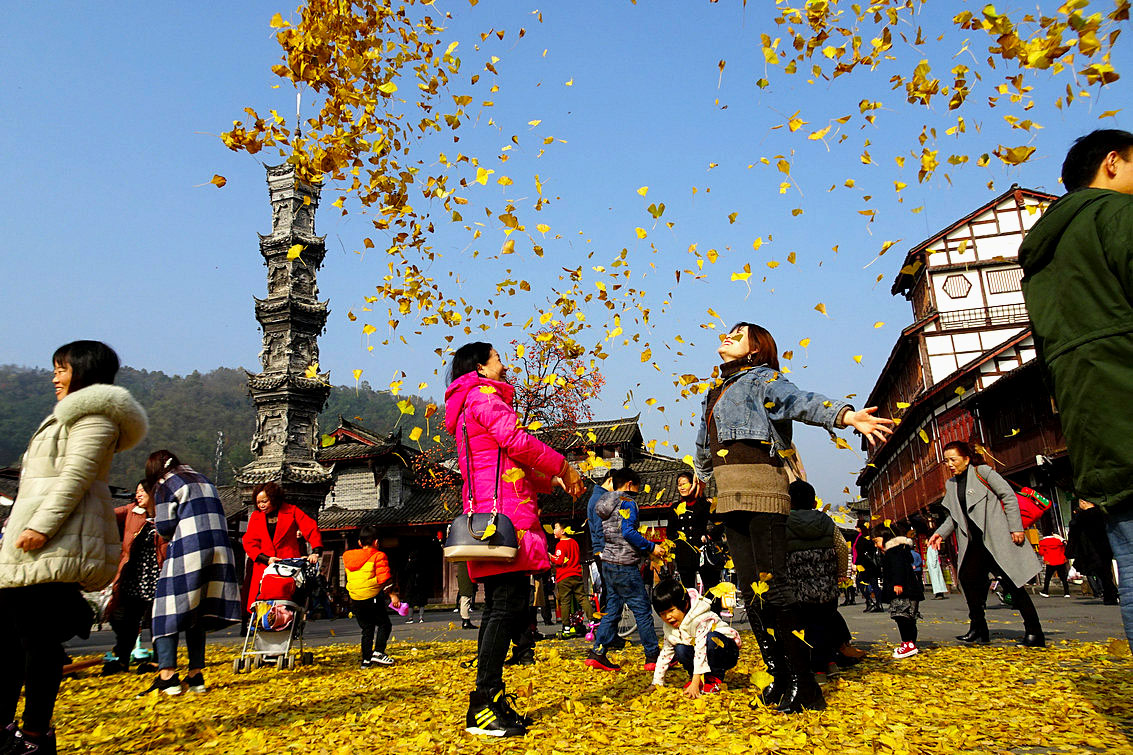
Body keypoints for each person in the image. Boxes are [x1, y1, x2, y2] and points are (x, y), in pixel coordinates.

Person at [690, 322, 893, 713]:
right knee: (750, 590)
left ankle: (805, 683)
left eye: (739, 333)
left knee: (775, 588)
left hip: (763, 490)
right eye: (727, 332)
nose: (728, 336)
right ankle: (778, 673)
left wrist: (847, 416)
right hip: (728, 495)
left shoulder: (765, 380)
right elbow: (704, 442)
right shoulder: (714, 391)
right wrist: (701, 478)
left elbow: (801, 401)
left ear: (756, 348)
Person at [0, 341, 147, 755]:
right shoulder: (67, 417)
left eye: (61, 369)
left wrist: (40, 528)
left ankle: (34, 734)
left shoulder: (96, 417)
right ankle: (14, 729)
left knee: (35, 641)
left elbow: (75, 478)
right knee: (13, 637)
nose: (54, 377)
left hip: (57, 540)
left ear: (82, 371)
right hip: (35, 538)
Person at [1018, 128, 1133, 645]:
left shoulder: (1043, 259)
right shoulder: (1116, 215)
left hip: (1095, 429)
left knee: (1131, 564)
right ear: (1112, 163)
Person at [444, 342, 584, 738]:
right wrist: (563, 466)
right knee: (504, 608)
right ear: (481, 367)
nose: (504, 365)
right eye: (498, 358)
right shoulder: (484, 396)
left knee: (509, 606)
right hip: (503, 521)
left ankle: (490, 696)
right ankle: (483, 703)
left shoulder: (473, 400)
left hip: (500, 513)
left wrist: (550, 479)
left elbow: (507, 461)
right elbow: (516, 441)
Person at [142, 450, 242, 695]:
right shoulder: (203, 478)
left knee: (166, 609)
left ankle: (168, 676)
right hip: (219, 548)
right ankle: (196, 676)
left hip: (190, 547)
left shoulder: (166, 483)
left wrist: (155, 520)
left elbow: (165, 527)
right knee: (196, 610)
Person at [928, 441, 1044, 647]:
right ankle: (979, 629)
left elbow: (1008, 496)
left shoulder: (984, 473)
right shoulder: (952, 484)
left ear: (966, 458)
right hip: (973, 543)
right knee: (967, 581)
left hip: (996, 538)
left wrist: (1015, 527)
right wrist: (940, 534)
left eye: (953, 460)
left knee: (1014, 584)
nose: (950, 464)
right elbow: (954, 517)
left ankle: (1034, 631)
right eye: (947, 461)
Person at [586, 468, 665, 672]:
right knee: (642, 611)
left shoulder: (603, 502)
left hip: (609, 562)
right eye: (636, 490)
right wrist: (651, 546)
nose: (636, 495)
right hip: (625, 564)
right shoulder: (628, 502)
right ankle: (652, 656)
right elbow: (628, 532)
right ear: (629, 484)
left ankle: (598, 652)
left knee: (613, 609)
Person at [103, 480, 167, 675]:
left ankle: (160, 660)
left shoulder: (165, 514)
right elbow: (106, 516)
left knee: (158, 620)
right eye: (137, 491)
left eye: (143, 491)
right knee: (127, 619)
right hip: (134, 574)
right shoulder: (131, 511)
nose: (138, 494)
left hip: (158, 574)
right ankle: (122, 658)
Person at [648, 577, 741, 697]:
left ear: (685, 604)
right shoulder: (669, 626)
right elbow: (665, 653)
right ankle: (696, 677)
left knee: (711, 639)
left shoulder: (700, 618)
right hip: (701, 651)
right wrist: (657, 683)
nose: (668, 617)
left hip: (725, 651)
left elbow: (702, 649)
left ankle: (713, 678)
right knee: (680, 648)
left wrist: (695, 684)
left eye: (671, 610)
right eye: (662, 614)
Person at [241, 481, 322, 612]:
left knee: (287, 602)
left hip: (288, 565)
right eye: (258, 502)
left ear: (274, 498)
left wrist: (316, 551)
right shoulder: (256, 517)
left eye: (265, 501)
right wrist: (265, 558)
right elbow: (249, 542)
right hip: (264, 564)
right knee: (261, 601)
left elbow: (311, 528)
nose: (261, 505)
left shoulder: (292, 511)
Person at [343, 525, 400, 668]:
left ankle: (366, 661)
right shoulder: (378, 556)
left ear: (360, 543)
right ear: (376, 542)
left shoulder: (347, 557)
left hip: (355, 598)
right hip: (371, 596)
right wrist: (393, 595)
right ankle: (379, 652)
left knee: (367, 629)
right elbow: (384, 578)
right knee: (384, 624)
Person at [875, 525, 924, 659]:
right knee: (909, 617)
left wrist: (898, 583)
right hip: (910, 590)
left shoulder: (894, 552)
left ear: (885, 538)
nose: (876, 544)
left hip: (903, 591)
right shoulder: (900, 550)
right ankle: (909, 644)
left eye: (876, 541)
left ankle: (908, 644)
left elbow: (898, 568)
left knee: (902, 616)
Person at [1067, 500, 1118, 604]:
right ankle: (1110, 594)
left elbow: (1073, 533)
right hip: (1105, 547)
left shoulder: (1080, 517)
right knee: (1106, 572)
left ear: (1083, 502)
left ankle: (1110, 594)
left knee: (1100, 573)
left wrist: (1070, 550)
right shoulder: (1102, 513)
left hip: (1089, 549)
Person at [669, 472, 711, 591]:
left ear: (693, 484)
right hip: (684, 555)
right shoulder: (675, 507)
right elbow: (670, 532)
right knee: (688, 591)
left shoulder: (704, 504)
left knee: (710, 590)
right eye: (679, 485)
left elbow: (718, 524)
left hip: (703, 552)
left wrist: (708, 536)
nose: (681, 487)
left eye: (684, 484)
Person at [550, 522, 593, 638]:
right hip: (576, 574)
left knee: (565, 602)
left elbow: (559, 561)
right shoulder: (574, 542)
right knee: (582, 598)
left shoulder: (560, 545)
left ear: (563, 531)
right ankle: (593, 620)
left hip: (564, 576)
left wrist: (550, 556)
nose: (554, 530)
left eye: (556, 528)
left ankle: (566, 627)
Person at [1038, 532, 1071, 598]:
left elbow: (1041, 552)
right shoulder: (1059, 541)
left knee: (1048, 578)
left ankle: (1045, 591)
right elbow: (1063, 550)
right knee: (1063, 578)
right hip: (1060, 561)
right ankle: (1067, 593)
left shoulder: (1043, 542)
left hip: (1050, 562)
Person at [924, 516, 949, 600]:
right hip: (932, 567)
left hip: (934, 567)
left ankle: (939, 593)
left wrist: (934, 564)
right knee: (935, 580)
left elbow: (934, 556)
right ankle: (938, 593)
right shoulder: (929, 548)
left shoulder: (932, 547)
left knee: (937, 580)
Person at [456, 562, 478, 630]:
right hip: (466, 578)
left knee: (465, 598)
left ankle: (465, 620)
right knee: (465, 599)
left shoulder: (461, 564)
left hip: (465, 578)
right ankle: (466, 621)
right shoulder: (464, 563)